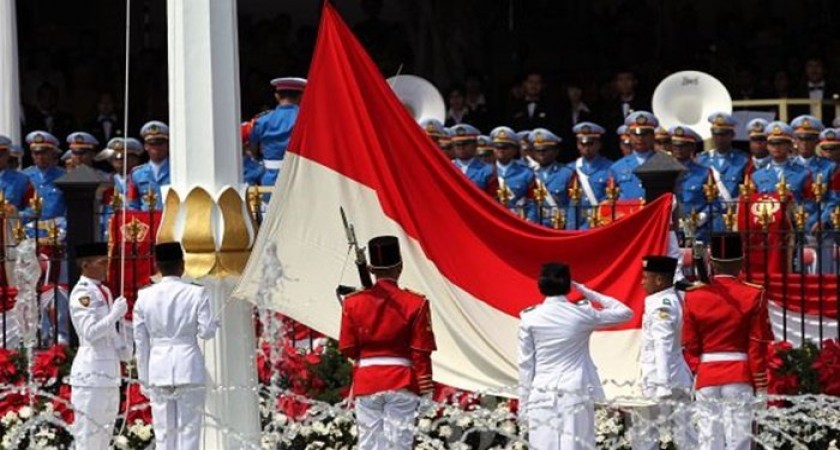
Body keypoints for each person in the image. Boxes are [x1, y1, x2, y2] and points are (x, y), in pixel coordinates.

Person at [518, 262, 633, 450]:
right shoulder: (581, 314)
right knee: (576, 444)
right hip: (574, 389)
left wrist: (524, 404)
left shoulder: (530, 317)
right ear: (567, 284)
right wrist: (586, 291)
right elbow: (625, 312)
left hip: (541, 391)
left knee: (542, 444)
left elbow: (526, 365)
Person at [339, 236, 436, 450]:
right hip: (401, 380)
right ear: (399, 267)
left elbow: (348, 347)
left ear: (372, 269)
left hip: (367, 381)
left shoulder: (353, 302)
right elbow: (421, 351)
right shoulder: (416, 302)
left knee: (369, 444)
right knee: (399, 445)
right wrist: (426, 388)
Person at [682, 232, 771, 450]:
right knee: (739, 440)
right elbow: (756, 343)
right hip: (739, 373)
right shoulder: (753, 294)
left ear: (711, 262)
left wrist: (698, 370)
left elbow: (690, 344)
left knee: (708, 440)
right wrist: (761, 385)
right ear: (741, 261)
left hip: (707, 374)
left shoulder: (694, 295)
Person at [134, 242, 219, 450]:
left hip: (158, 366)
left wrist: (143, 377)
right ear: (182, 265)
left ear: (158, 266)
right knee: (189, 430)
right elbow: (206, 333)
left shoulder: (144, 296)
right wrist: (214, 322)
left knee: (163, 433)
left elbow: (140, 341)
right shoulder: (196, 293)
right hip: (187, 364)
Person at [68, 242, 131, 450]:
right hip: (91, 372)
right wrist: (114, 315)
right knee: (88, 435)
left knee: (105, 433)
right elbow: (90, 332)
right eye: (102, 262)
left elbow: (108, 332)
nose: (107, 267)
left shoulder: (103, 290)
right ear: (85, 265)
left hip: (109, 371)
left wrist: (121, 347)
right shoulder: (82, 294)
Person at [631, 256, 695, 450]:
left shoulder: (662, 305)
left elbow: (662, 344)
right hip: (672, 375)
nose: (642, 282)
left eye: (645, 277)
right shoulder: (662, 300)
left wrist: (662, 384)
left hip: (660, 378)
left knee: (646, 435)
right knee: (684, 433)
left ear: (659, 280)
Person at [696, 112, 749, 231]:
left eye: (724, 134)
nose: (719, 138)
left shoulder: (743, 160)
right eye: (716, 134)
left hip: (735, 217)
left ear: (732, 135)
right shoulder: (701, 159)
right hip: (710, 219)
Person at [250, 77, 306, 186]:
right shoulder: (307, 119)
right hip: (299, 179)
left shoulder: (262, 121)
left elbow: (253, 150)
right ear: (301, 97)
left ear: (277, 96)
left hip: (270, 180)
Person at [567, 122, 612, 229]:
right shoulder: (570, 169)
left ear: (599, 144)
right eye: (582, 144)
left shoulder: (610, 168)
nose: (586, 148)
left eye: (590, 144)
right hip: (577, 221)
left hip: (601, 221)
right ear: (578, 145)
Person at [609, 111, 658, 201]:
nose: (640, 138)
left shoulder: (662, 163)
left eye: (645, 134)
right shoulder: (617, 167)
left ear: (653, 136)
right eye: (636, 134)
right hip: (629, 213)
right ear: (630, 136)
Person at [530, 128, 574, 228]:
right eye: (537, 150)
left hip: (559, 226)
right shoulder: (528, 173)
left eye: (545, 150)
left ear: (556, 151)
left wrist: (570, 228)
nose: (541, 153)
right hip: (535, 226)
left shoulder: (567, 173)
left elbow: (573, 205)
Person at [492, 126, 537, 221]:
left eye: (505, 147)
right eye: (498, 147)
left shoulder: (526, 173)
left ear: (515, 150)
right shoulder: (485, 172)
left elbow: (532, 202)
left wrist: (530, 221)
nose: (501, 150)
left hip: (518, 221)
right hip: (492, 220)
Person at [21, 131, 66, 220]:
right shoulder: (23, 176)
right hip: (29, 228)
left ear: (53, 153)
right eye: (36, 153)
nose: (40, 157)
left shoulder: (64, 176)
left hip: (57, 228)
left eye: (44, 153)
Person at [131, 121, 170, 210]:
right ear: (146, 146)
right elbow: (133, 205)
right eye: (152, 143)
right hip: (146, 221)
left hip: (171, 220)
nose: (156, 148)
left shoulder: (176, 170)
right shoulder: (137, 174)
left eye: (160, 143)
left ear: (167, 145)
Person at [450, 124, 495, 193]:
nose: (461, 147)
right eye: (457, 144)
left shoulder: (488, 170)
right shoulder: (447, 167)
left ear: (475, 145)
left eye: (466, 144)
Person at [0, 135, 33, 210]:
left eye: (0, 155)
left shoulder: (22, 180)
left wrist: (15, 214)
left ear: (7, 155)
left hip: (12, 220)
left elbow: (32, 208)